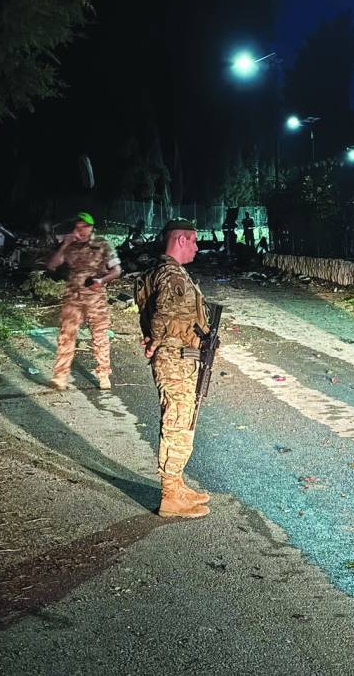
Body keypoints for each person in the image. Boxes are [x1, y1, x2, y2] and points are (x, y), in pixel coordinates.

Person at [135, 218, 212, 519]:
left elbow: (150, 310)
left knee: (180, 417)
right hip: (177, 358)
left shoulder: (156, 272)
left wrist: (153, 339)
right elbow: (163, 315)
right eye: (193, 240)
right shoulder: (172, 275)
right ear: (181, 240)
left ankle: (177, 484)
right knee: (178, 420)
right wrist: (155, 340)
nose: (196, 247)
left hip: (177, 356)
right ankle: (170, 494)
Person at [47, 212, 121, 390]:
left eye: (84, 227)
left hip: (95, 298)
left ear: (91, 228)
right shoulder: (70, 245)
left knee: (100, 336)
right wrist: (64, 245)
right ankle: (60, 376)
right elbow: (52, 265)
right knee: (67, 335)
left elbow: (117, 270)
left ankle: (103, 375)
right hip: (73, 297)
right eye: (77, 226)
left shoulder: (102, 244)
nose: (80, 230)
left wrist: (101, 281)